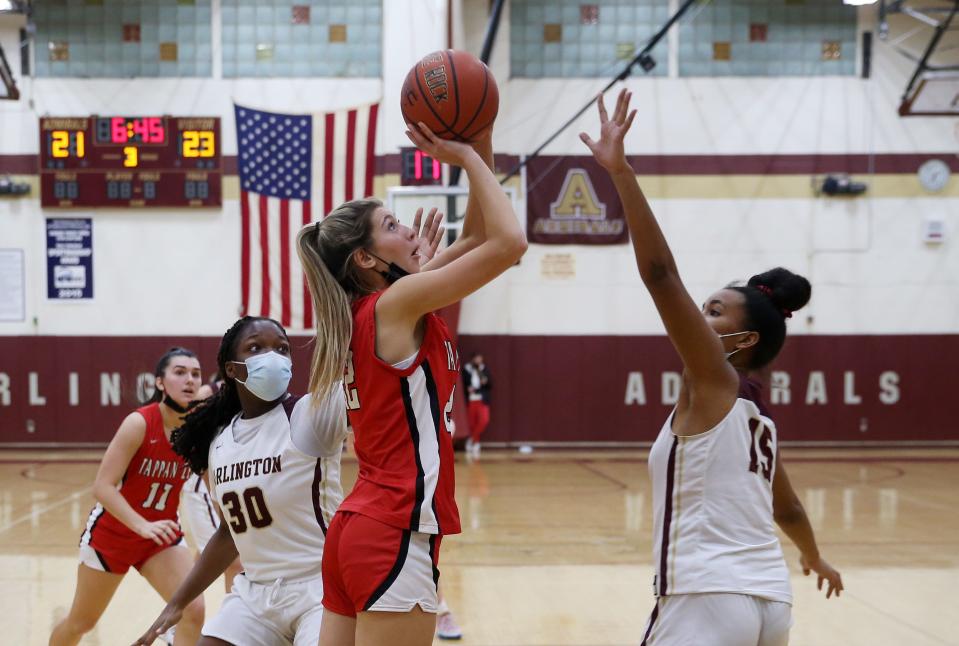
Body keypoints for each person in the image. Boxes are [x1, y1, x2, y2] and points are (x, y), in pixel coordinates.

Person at [580, 89, 843, 646]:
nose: (700, 316)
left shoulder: (715, 381)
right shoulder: (760, 420)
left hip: (706, 598)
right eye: (703, 307)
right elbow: (788, 507)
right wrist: (816, 558)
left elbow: (659, 274)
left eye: (714, 311)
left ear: (744, 339)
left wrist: (621, 172)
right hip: (772, 601)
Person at [296, 122, 527, 646]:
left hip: (361, 526)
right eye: (392, 225)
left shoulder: (384, 305)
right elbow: (509, 241)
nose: (408, 230)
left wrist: (481, 132)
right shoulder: (395, 305)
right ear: (366, 259)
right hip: (394, 527)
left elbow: (476, 238)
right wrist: (467, 156)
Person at [133, 316, 348, 646]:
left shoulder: (309, 415)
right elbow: (230, 531)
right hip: (255, 593)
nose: (272, 356)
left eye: (282, 348)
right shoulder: (220, 443)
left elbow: (365, 366)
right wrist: (176, 604)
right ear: (231, 370)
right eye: (255, 348)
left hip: (320, 588)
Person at [50, 348, 205, 646]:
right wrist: (141, 525)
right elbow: (103, 487)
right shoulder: (139, 423)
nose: (189, 380)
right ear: (160, 382)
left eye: (195, 374)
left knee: (193, 611)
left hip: (160, 536)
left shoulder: (196, 430)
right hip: (113, 536)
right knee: (81, 622)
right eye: (180, 372)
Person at [461, 353, 491, 460]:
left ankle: (472, 440)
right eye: (477, 358)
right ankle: (476, 443)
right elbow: (463, 384)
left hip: (482, 399)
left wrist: (485, 382)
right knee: (472, 423)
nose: (478, 360)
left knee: (484, 420)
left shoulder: (484, 370)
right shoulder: (467, 370)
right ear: (473, 359)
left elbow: (489, 384)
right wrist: (468, 389)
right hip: (471, 399)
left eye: (480, 359)